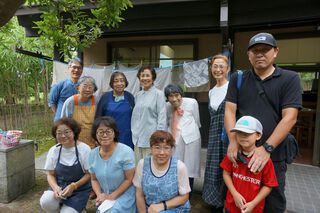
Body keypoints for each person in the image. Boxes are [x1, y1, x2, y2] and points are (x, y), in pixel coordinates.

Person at [224, 32, 302, 213]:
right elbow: (229, 110)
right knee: (239, 201)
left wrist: (266, 148)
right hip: (242, 153)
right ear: (249, 55)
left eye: (265, 49)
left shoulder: (289, 79)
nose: (260, 54)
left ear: (275, 52)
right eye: (255, 50)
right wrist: (233, 141)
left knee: (273, 203)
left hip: (273, 155)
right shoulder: (238, 78)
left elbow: (290, 117)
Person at [221, 116, 278, 213]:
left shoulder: (264, 160)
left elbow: (269, 185)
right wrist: (234, 194)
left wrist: (254, 203)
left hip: (253, 209)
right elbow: (226, 174)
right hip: (231, 205)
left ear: (258, 135)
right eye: (239, 133)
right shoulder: (232, 154)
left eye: (247, 133)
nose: (243, 136)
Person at [40, 118, 91, 213]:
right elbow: (50, 174)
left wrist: (74, 186)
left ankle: (78, 208)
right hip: (60, 188)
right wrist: (55, 187)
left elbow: (89, 174)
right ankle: (60, 207)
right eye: (59, 133)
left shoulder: (84, 149)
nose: (63, 136)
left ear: (74, 132)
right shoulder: (54, 150)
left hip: (78, 190)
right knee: (45, 202)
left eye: (67, 132)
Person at [133, 130, 191, 213]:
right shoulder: (142, 164)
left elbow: (185, 197)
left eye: (166, 148)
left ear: (171, 149)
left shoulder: (179, 167)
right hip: (149, 208)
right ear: (151, 148)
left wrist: (162, 206)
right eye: (157, 147)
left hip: (173, 208)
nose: (162, 152)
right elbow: (139, 194)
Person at [89, 116, 136, 213]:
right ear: (95, 135)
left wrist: (111, 197)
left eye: (108, 131)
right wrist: (99, 195)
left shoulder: (126, 151)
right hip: (104, 196)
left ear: (114, 133)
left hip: (125, 195)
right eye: (101, 132)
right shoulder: (92, 154)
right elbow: (94, 179)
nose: (104, 135)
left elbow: (129, 180)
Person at [202, 54, 230, 212]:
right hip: (213, 135)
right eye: (215, 66)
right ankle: (215, 202)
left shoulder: (232, 88)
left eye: (221, 66)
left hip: (228, 135)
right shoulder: (212, 91)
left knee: (228, 167)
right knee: (214, 167)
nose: (218, 69)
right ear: (211, 69)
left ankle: (227, 203)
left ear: (227, 69)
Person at [164, 84, 201, 193]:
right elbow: (167, 121)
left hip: (191, 139)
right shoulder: (167, 106)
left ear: (181, 94)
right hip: (174, 139)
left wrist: (189, 132)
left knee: (189, 169)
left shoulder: (192, 102)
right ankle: (176, 194)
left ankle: (188, 196)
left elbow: (197, 121)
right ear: (167, 98)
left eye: (177, 95)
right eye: (171, 96)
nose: (174, 99)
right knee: (175, 167)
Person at [131, 65, 167, 161]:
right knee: (139, 168)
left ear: (153, 77)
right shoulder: (138, 95)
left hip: (151, 139)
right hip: (137, 140)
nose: (145, 78)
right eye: (142, 76)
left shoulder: (158, 94)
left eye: (147, 75)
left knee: (151, 168)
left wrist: (158, 139)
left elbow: (162, 117)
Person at [95, 72, 135, 150]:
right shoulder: (105, 97)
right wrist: (97, 137)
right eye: (116, 81)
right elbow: (98, 118)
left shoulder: (130, 97)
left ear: (125, 83)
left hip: (127, 136)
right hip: (108, 136)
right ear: (112, 83)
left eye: (122, 80)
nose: (119, 83)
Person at [61, 76, 99, 148]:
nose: (87, 89)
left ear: (94, 89)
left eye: (90, 87)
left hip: (92, 139)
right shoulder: (70, 102)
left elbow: (100, 120)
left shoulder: (97, 100)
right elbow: (64, 123)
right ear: (78, 87)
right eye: (85, 86)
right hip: (75, 139)